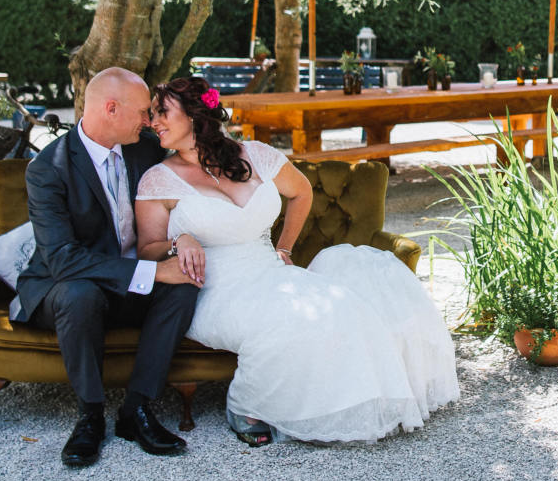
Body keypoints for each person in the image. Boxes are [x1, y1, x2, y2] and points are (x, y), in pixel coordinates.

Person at [135, 76, 458, 445]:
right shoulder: (158, 181)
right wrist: (179, 241)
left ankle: (342, 402)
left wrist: (284, 248)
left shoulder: (255, 155)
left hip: (271, 275)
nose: (153, 122)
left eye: (162, 112)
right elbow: (146, 249)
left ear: (193, 115)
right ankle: (244, 404)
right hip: (215, 289)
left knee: (343, 306)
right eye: (152, 114)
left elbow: (301, 192)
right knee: (283, 322)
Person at [12, 67, 203, 468]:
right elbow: (63, 260)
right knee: (79, 294)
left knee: (183, 285)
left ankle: (136, 409)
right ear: (111, 109)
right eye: (143, 112)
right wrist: (153, 273)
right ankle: (90, 415)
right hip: (65, 285)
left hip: (127, 283)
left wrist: (179, 239)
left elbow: (192, 174)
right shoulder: (48, 168)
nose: (149, 121)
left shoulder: (145, 149)